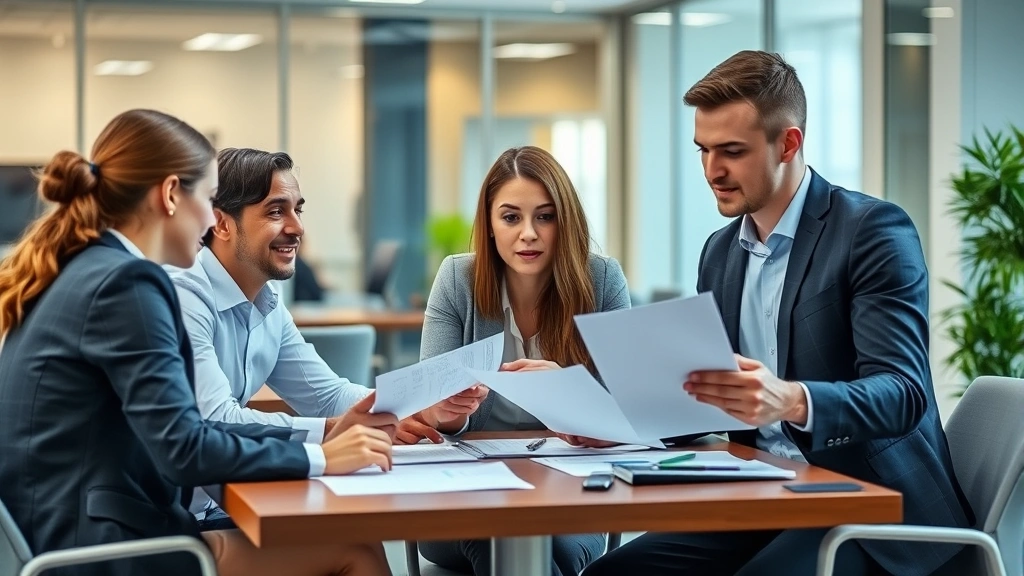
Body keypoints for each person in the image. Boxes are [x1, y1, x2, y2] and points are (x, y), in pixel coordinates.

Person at [584, 50, 973, 576]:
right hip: (762, 492)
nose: (711, 170)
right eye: (702, 150)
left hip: (870, 507)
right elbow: (706, 403)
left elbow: (903, 393)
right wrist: (611, 420)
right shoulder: (720, 252)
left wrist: (791, 399)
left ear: (788, 143)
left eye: (732, 151)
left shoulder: (873, 232)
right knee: (616, 572)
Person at [0, 109, 394, 576]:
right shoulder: (127, 284)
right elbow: (186, 447)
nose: (211, 219)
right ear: (170, 194)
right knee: (356, 549)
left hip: (63, 532)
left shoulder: (88, 267)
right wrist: (321, 455)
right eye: (208, 199)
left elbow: (185, 432)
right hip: (100, 550)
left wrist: (340, 436)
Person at [166, 147, 434, 529]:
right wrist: (332, 431)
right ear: (222, 224)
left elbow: (326, 395)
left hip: (221, 503)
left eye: (297, 209)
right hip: (174, 519)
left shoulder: (268, 302)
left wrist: (406, 408)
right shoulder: (184, 295)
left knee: (352, 534)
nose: (297, 227)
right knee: (349, 544)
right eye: (276, 212)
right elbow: (216, 420)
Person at [410, 145, 630, 576]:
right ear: (490, 226)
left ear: (564, 223)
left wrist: (570, 391)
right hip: (465, 493)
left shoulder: (602, 280)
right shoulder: (457, 280)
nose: (528, 233)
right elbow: (429, 407)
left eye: (544, 216)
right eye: (511, 217)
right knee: (502, 531)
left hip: (571, 491)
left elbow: (630, 409)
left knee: (553, 551)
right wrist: (445, 413)